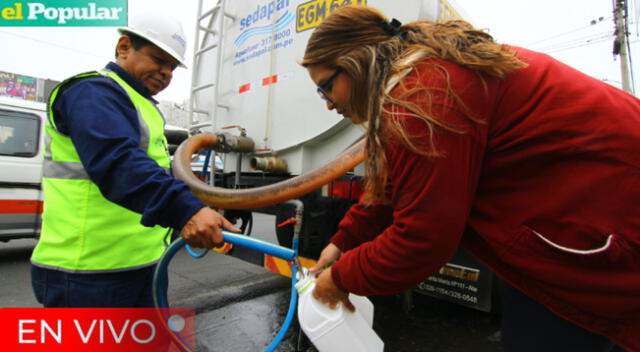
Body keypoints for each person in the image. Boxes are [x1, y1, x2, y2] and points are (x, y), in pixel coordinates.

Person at [302, 5, 640, 352]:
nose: (328, 104)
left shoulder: (426, 94)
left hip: (615, 216)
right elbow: (390, 184)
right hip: (569, 224)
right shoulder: (423, 76)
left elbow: (422, 240)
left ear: (357, 62)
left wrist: (340, 279)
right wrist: (344, 240)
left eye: (326, 88)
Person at [30, 12, 240, 308]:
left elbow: (154, 170)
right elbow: (119, 164)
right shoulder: (91, 92)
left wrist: (197, 201)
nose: (166, 72)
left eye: (172, 67)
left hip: (141, 265)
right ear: (124, 47)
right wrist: (185, 210)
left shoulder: (142, 104)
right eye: (158, 59)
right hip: (87, 273)